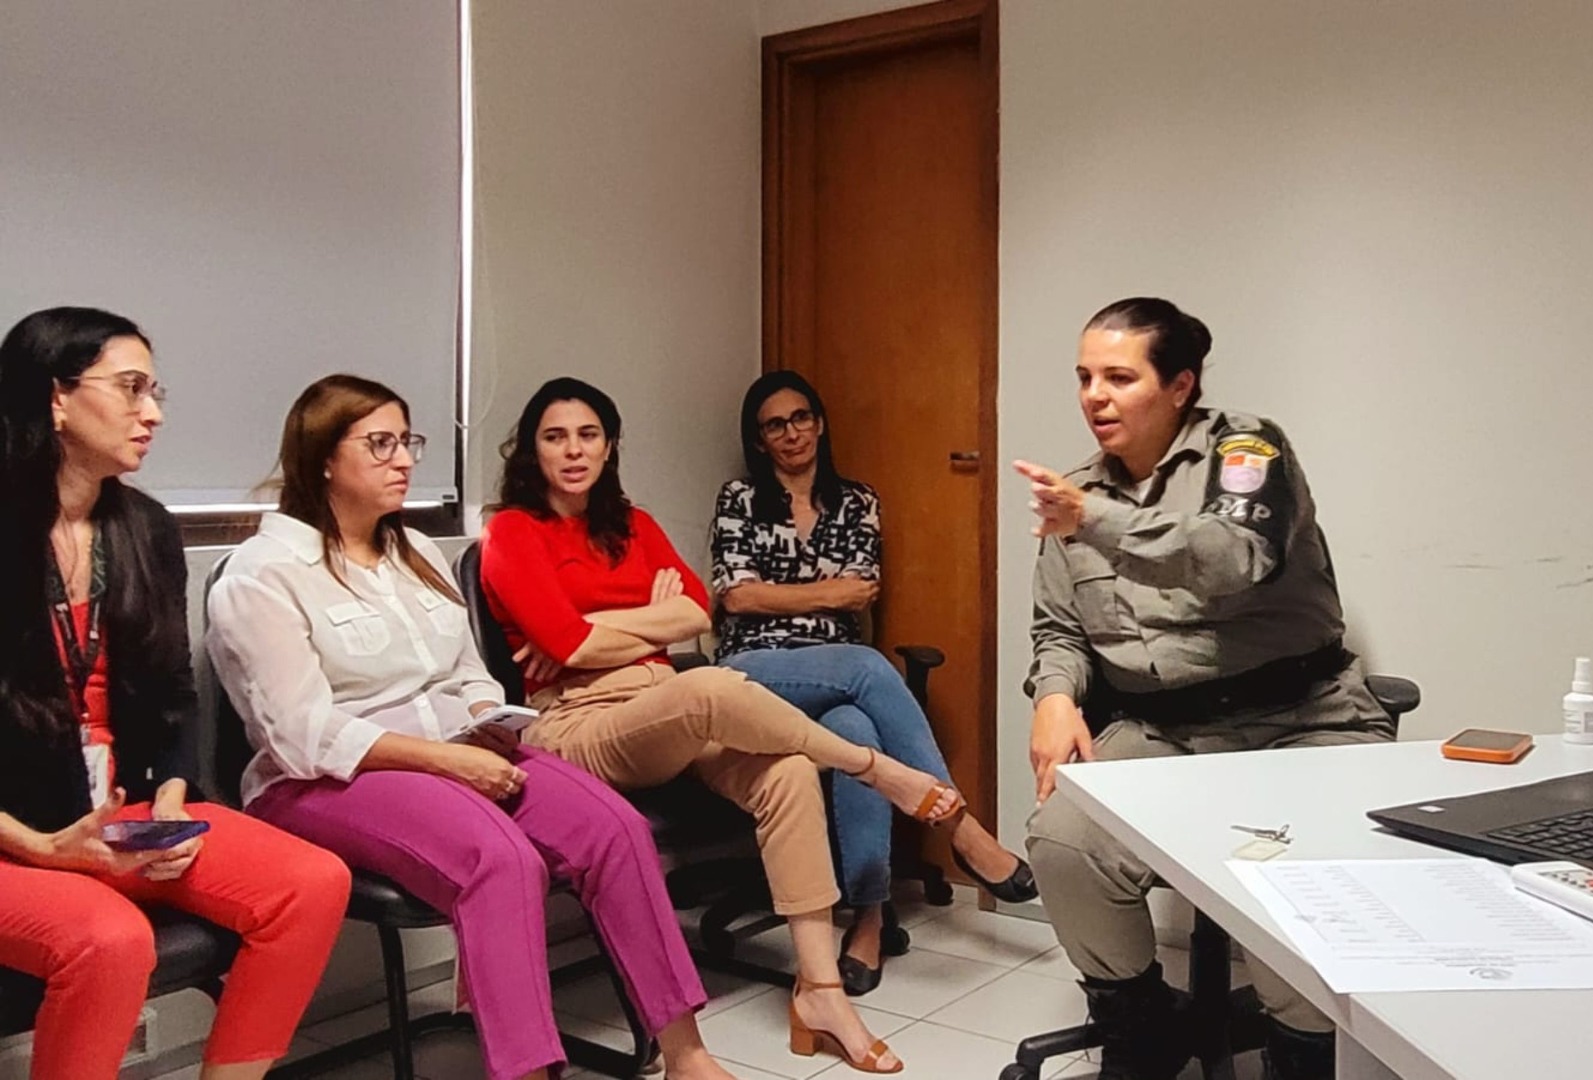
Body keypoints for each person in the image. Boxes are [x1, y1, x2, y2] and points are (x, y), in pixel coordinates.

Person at [206, 375, 739, 1080]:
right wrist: (446, 762)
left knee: (615, 829)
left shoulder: (417, 555)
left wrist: (490, 718)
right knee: (502, 860)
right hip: (328, 778)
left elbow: (468, 672)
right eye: (380, 444)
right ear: (323, 459)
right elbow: (302, 733)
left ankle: (687, 1055)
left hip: (457, 750)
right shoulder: (263, 574)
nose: (403, 460)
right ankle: (526, 1071)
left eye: (408, 442)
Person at [478, 377, 972, 1074]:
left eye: (587, 434)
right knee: (708, 685)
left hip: (664, 704)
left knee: (788, 771)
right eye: (555, 437)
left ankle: (821, 992)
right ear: (531, 450)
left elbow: (697, 614)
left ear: (610, 443)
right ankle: (871, 765)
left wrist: (594, 624)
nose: (573, 450)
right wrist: (625, 625)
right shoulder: (511, 531)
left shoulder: (634, 524)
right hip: (577, 721)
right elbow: (571, 653)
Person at [1017, 298, 1394, 1080]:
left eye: (1119, 377)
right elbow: (1058, 628)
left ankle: (1303, 1052)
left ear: (1180, 385)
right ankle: (1138, 1026)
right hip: (1163, 732)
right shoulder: (1077, 493)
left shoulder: (1246, 448)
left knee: (1303, 880)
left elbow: (1233, 555)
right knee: (1064, 840)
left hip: (1300, 719)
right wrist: (1054, 695)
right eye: (1085, 377)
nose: (1094, 395)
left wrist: (1093, 521)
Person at [0, 307, 351, 1080]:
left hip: (110, 814)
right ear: (55, 399)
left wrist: (169, 806)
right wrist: (42, 847)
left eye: (154, 390)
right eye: (129, 389)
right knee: (110, 940)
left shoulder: (146, 529)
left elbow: (170, 693)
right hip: (13, 835)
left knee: (311, 882)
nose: (152, 412)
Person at [710, 370, 1036, 996]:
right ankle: (961, 827)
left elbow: (864, 588)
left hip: (834, 678)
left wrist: (784, 595)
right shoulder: (740, 499)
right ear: (759, 439)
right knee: (864, 664)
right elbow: (738, 597)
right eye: (774, 424)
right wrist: (822, 595)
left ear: (820, 422)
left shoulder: (857, 501)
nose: (791, 432)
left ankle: (867, 917)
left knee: (856, 731)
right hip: (754, 671)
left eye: (801, 417)